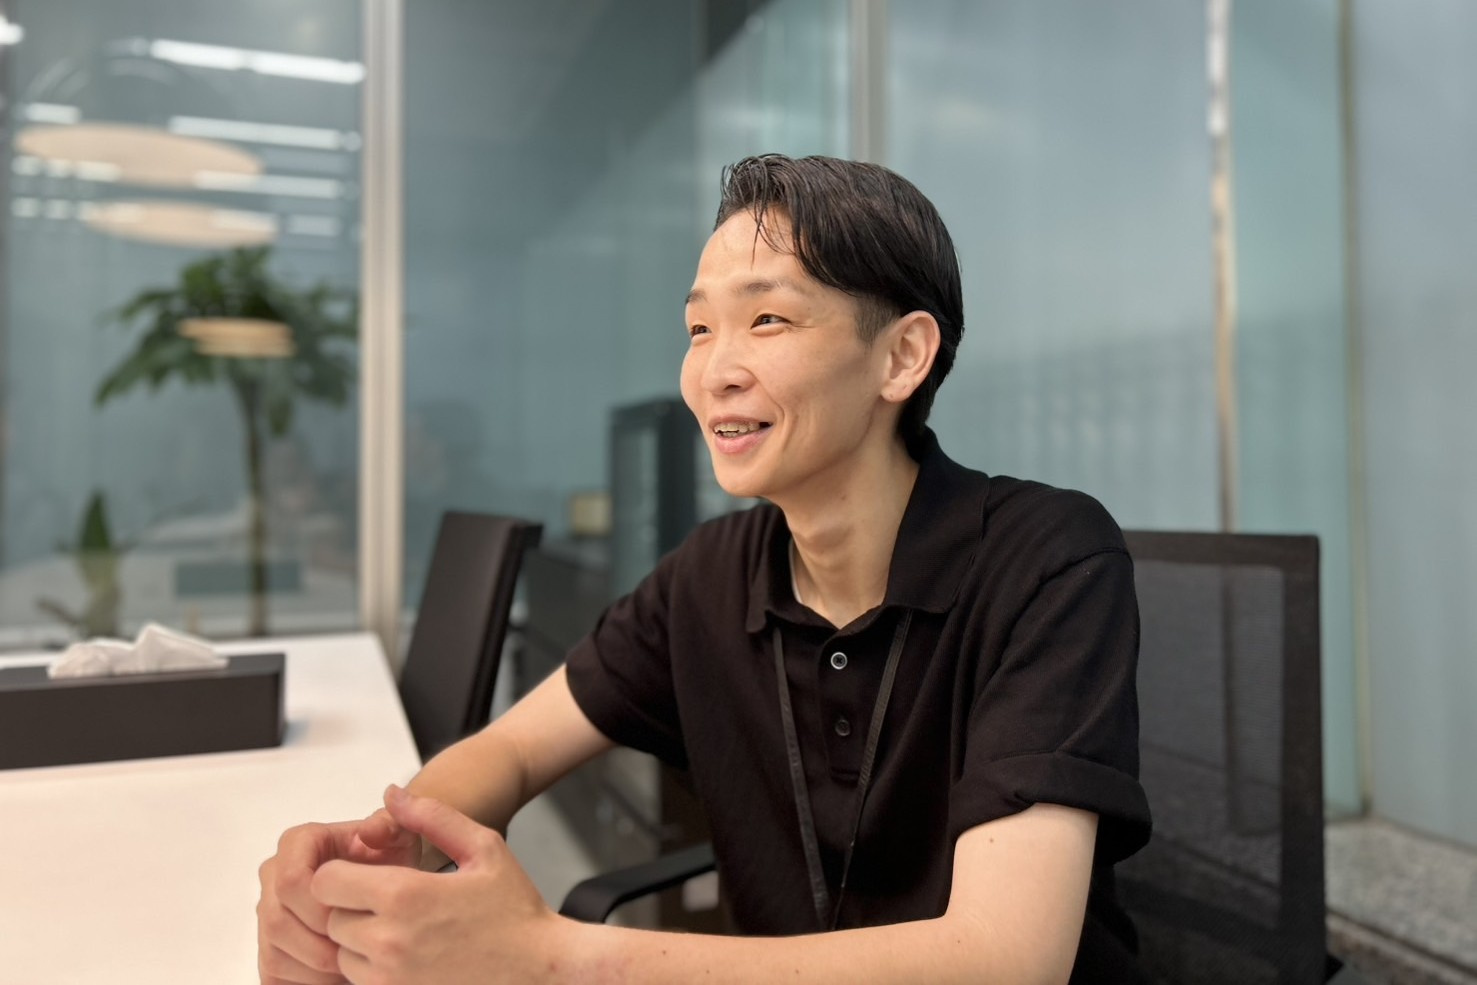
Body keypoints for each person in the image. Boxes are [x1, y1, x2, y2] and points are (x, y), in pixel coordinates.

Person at [256, 154, 1151, 985]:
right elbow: (515, 748)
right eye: (698, 328)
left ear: (901, 356)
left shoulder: (1047, 558)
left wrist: (547, 954)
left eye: (767, 319)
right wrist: (394, 842)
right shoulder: (710, 575)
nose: (714, 371)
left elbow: (1006, 957)